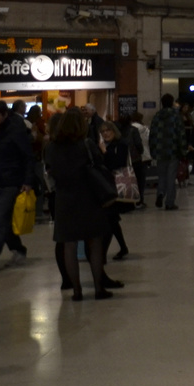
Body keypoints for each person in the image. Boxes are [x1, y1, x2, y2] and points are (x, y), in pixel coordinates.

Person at [47, 109, 115, 300]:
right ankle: (98, 288)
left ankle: (76, 291)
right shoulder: (86, 144)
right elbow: (99, 164)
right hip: (88, 197)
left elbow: (50, 170)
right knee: (94, 244)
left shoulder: (52, 147)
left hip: (64, 199)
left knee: (69, 245)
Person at [0, 100, 35, 271]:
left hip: (11, 181)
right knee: (3, 220)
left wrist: (27, 181)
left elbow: (28, 157)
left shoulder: (16, 132)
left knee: (1, 219)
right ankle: (18, 249)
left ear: (4, 115)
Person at [99, 123, 133, 260]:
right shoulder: (105, 146)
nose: (106, 133)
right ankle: (122, 247)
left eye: (108, 130)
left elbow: (117, 164)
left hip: (117, 186)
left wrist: (105, 152)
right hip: (108, 187)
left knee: (109, 219)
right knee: (111, 220)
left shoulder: (121, 144)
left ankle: (102, 255)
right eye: (103, 132)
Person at [149, 95, 186, 210]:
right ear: (171, 103)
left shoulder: (156, 116)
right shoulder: (176, 116)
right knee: (171, 177)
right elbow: (181, 135)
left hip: (160, 151)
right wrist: (183, 150)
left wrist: (153, 151)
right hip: (173, 151)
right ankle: (169, 202)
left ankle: (160, 193)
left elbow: (152, 135)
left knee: (162, 176)